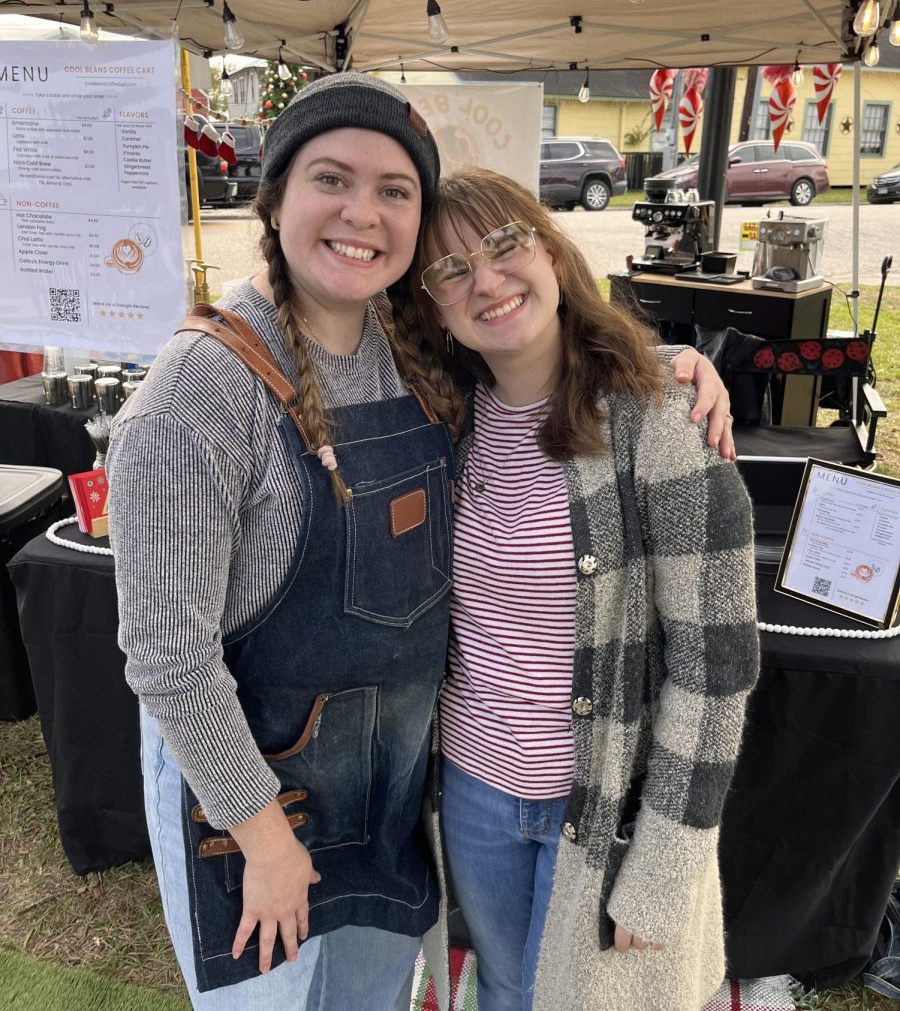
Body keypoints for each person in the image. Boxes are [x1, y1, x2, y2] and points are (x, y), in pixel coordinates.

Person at [106, 73, 735, 1010]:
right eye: (332, 179)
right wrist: (265, 840)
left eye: (393, 190)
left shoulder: (415, 365)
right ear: (274, 200)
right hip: (257, 809)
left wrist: (664, 366)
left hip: (396, 795)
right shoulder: (197, 391)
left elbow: (712, 659)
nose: (362, 212)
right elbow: (166, 657)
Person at [402, 168, 759, 1011]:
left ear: (553, 253)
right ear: (434, 309)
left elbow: (717, 668)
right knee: (506, 990)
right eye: (451, 270)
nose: (485, 280)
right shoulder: (441, 420)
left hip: (602, 804)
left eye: (502, 245)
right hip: (477, 789)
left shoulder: (658, 421)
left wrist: (666, 860)